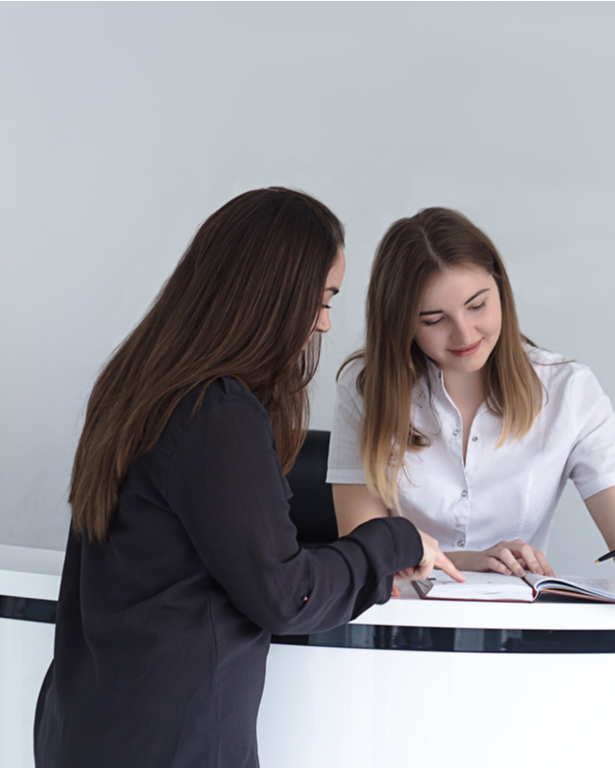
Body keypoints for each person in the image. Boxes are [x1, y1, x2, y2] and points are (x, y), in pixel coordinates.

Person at [35, 188, 462, 768]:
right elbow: (288, 596)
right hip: (173, 745)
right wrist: (394, 541)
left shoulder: (134, 385)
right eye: (319, 299)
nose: (324, 323)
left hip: (85, 729)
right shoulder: (216, 410)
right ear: (267, 293)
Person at [328, 207, 615, 586]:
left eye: (478, 305)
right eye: (434, 320)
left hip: (514, 629)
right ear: (400, 322)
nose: (464, 335)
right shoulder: (365, 388)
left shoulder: (569, 390)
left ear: (500, 287)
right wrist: (469, 561)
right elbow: (363, 553)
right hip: (403, 621)